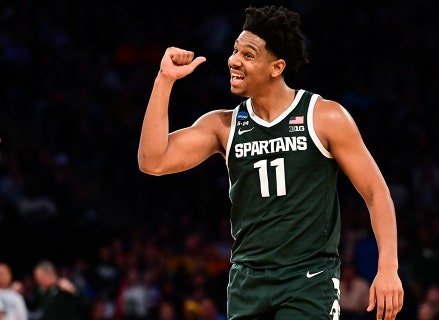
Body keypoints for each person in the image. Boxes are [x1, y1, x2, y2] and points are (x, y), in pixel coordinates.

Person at [137, 5, 404, 320]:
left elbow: (376, 192)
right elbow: (152, 161)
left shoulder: (324, 117)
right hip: (247, 281)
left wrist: (387, 268)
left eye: (248, 55)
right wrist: (164, 79)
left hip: (308, 280)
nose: (234, 60)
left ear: (276, 67)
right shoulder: (223, 125)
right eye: (235, 50)